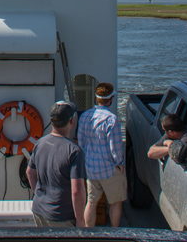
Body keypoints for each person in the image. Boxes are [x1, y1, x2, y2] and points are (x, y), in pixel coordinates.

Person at [26, 101, 86, 227]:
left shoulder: (40, 143)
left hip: (39, 210)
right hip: (61, 217)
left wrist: (39, 196)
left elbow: (30, 172)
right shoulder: (74, 151)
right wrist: (80, 219)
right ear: (72, 121)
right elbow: (77, 190)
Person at [77, 82, 126, 228]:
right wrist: (120, 163)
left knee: (91, 202)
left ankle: (88, 233)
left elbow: (81, 143)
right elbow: (115, 148)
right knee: (115, 203)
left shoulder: (85, 116)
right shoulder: (112, 119)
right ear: (110, 99)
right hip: (110, 169)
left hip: (91, 168)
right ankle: (114, 232)